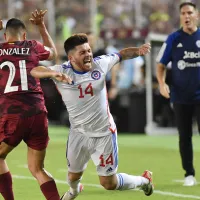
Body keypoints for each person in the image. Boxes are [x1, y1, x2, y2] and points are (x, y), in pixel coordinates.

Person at [30, 33, 153, 200]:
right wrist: (52, 74)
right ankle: (74, 191)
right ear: (71, 57)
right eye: (82, 52)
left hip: (103, 133)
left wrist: (138, 51)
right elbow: (35, 70)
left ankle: (143, 181)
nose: (88, 54)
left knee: (109, 183)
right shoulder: (62, 71)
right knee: (72, 177)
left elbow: (122, 54)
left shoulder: (100, 64)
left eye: (89, 50)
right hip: (78, 133)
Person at [0, 10, 62, 200]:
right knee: (37, 168)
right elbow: (54, 54)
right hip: (38, 112)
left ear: (4, 36)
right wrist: (41, 26)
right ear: (24, 34)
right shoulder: (33, 46)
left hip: (13, 114)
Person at [156, 1, 199, 186]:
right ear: (180, 16)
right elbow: (160, 65)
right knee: (185, 136)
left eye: (190, 12)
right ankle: (189, 174)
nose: (187, 16)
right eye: (183, 13)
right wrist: (161, 83)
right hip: (181, 96)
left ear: (196, 15)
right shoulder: (173, 39)